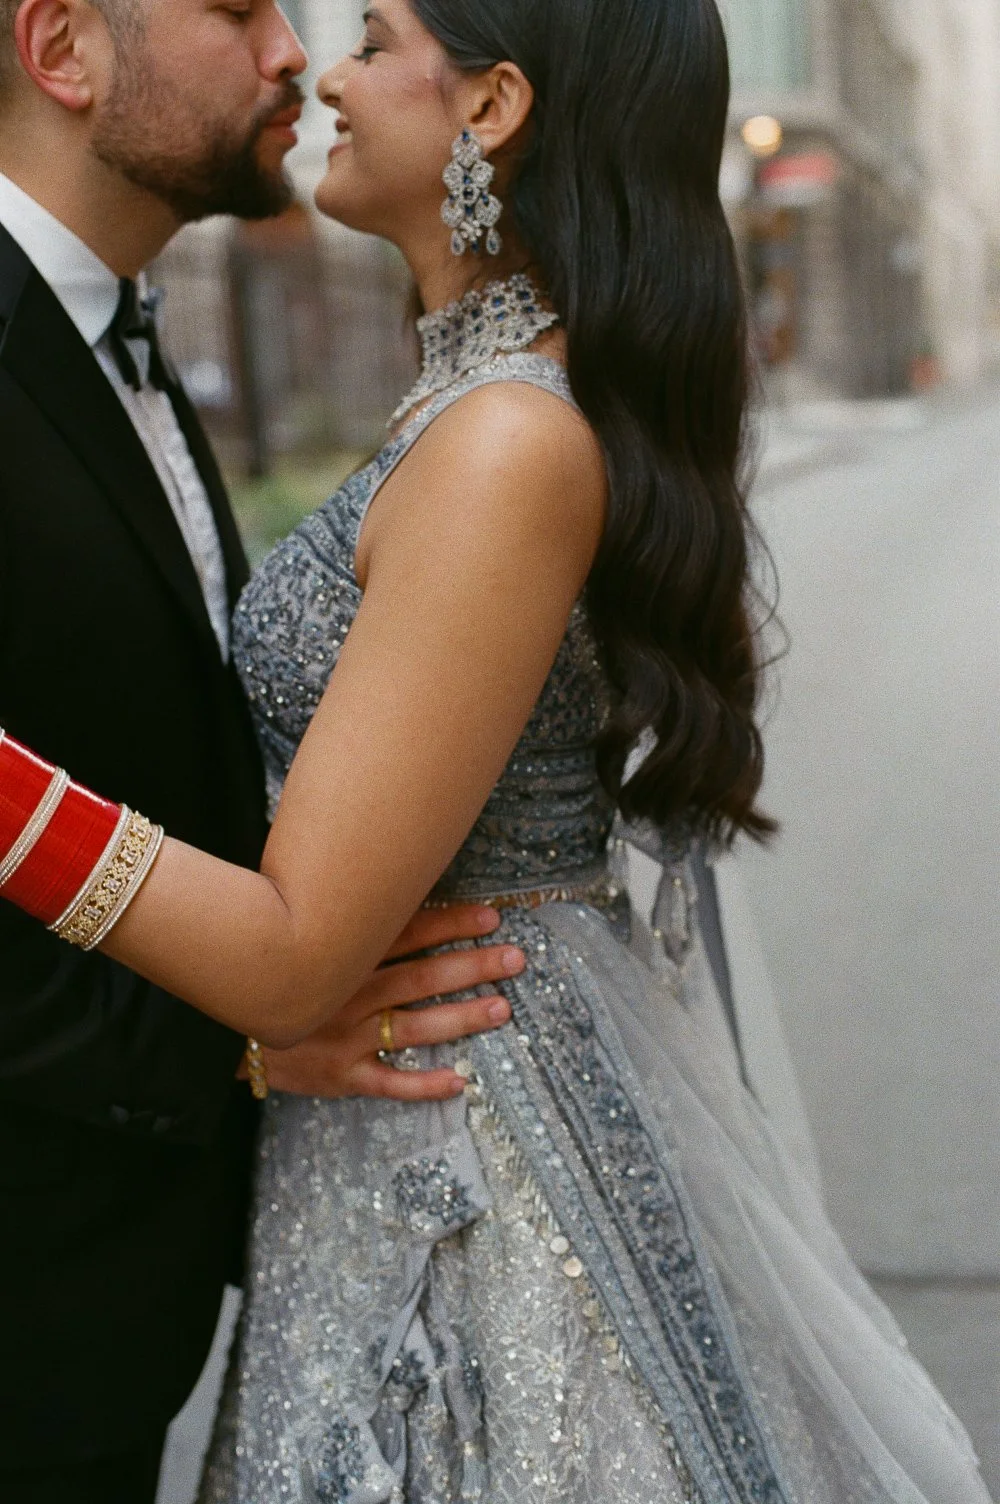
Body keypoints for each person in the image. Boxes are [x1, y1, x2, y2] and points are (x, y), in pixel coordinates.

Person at [0, 0, 991, 1499]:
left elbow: (285, 958)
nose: (320, 65)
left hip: (482, 1178)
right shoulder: (473, 402)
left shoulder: (508, 438)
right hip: (391, 1127)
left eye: (376, 38)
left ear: (494, 106)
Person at [0, 0, 529, 1496]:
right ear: (63, 52)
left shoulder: (126, 338)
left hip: (131, 1302)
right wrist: (236, 1038)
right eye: (237, 11)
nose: (291, 56)